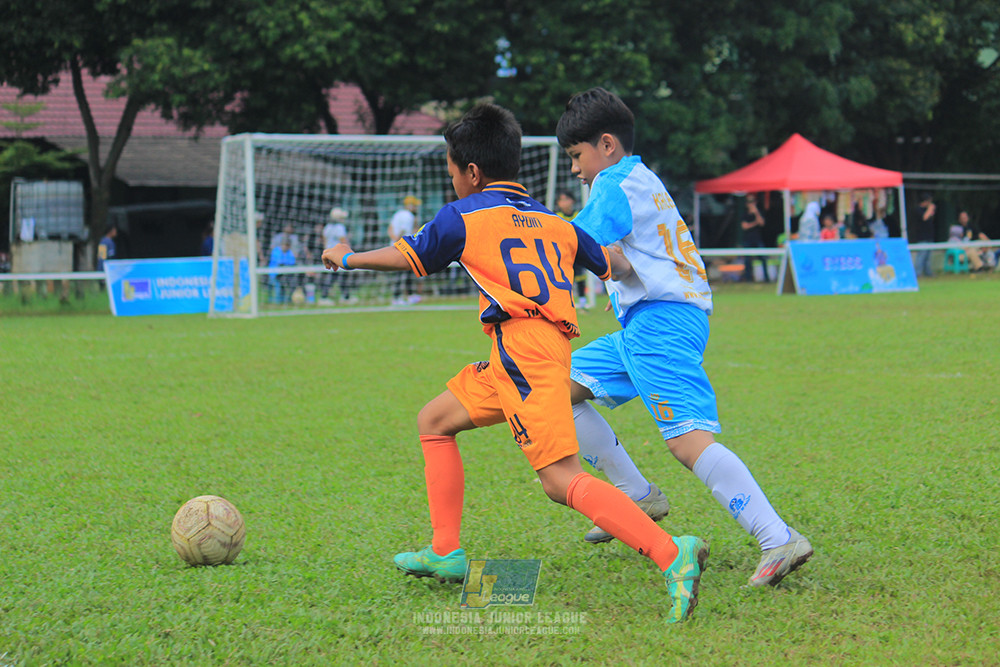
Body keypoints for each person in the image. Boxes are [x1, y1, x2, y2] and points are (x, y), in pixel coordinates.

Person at [322, 102, 710, 623]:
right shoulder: (555, 219)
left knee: (560, 480)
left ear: (473, 172)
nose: (453, 182)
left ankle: (671, 553)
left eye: (452, 172)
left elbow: (412, 256)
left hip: (524, 352)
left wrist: (348, 257)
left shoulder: (464, 215)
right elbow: (611, 261)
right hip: (526, 350)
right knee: (434, 421)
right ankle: (445, 552)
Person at [556, 87, 812, 588]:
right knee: (556, 387)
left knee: (687, 441)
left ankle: (776, 536)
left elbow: (572, 240)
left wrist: (514, 239)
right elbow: (622, 260)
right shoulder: (641, 179)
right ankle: (635, 493)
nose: (573, 169)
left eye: (576, 156)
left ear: (605, 145)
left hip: (662, 320)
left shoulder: (612, 182)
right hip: (651, 320)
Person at [556, 189, 590, 307]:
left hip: (578, 251)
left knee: (580, 277)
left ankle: (582, 303)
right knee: (564, 278)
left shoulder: (579, 215)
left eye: (567, 199)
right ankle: (565, 303)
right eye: (561, 200)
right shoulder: (556, 217)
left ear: (573, 201)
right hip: (563, 252)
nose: (564, 203)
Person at [388, 195, 422, 304]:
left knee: (404, 272)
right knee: (404, 273)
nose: (416, 208)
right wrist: (399, 243)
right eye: (415, 205)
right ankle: (398, 297)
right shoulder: (409, 216)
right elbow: (403, 231)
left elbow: (390, 229)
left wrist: (394, 241)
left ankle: (407, 296)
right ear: (410, 205)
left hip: (394, 246)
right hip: (403, 248)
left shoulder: (397, 214)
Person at [320, 207, 353, 303]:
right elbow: (344, 242)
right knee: (336, 276)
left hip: (329, 253)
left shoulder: (327, 228)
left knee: (336, 276)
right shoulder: (340, 228)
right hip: (339, 254)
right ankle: (324, 297)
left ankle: (345, 296)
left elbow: (325, 242)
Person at [740, 194, 770, 281]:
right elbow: (745, 226)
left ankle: (766, 278)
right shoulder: (744, 214)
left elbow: (762, 223)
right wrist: (755, 223)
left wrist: (756, 212)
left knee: (763, 259)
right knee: (747, 260)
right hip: (748, 239)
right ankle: (748, 278)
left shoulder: (759, 212)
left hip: (757, 239)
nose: (751, 204)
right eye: (749, 202)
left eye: (753, 202)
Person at [911, 192, 935, 277]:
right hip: (922, 236)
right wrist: (930, 209)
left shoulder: (927, 210)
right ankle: (917, 273)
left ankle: (928, 272)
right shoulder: (918, 210)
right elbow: (924, 218)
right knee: (921, 255)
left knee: (928, 256)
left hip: (929, 236)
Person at [268, 235, 297, 303]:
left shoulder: (289, 252)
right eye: (284, 245)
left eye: (287, 245)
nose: (285, 247)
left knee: (293, 282)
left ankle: (288, 300)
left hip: (284, 274)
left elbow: (292, 263)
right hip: (275, 275)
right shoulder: (276, 251)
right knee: (278, 285)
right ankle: (278, 302)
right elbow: (280, 263)